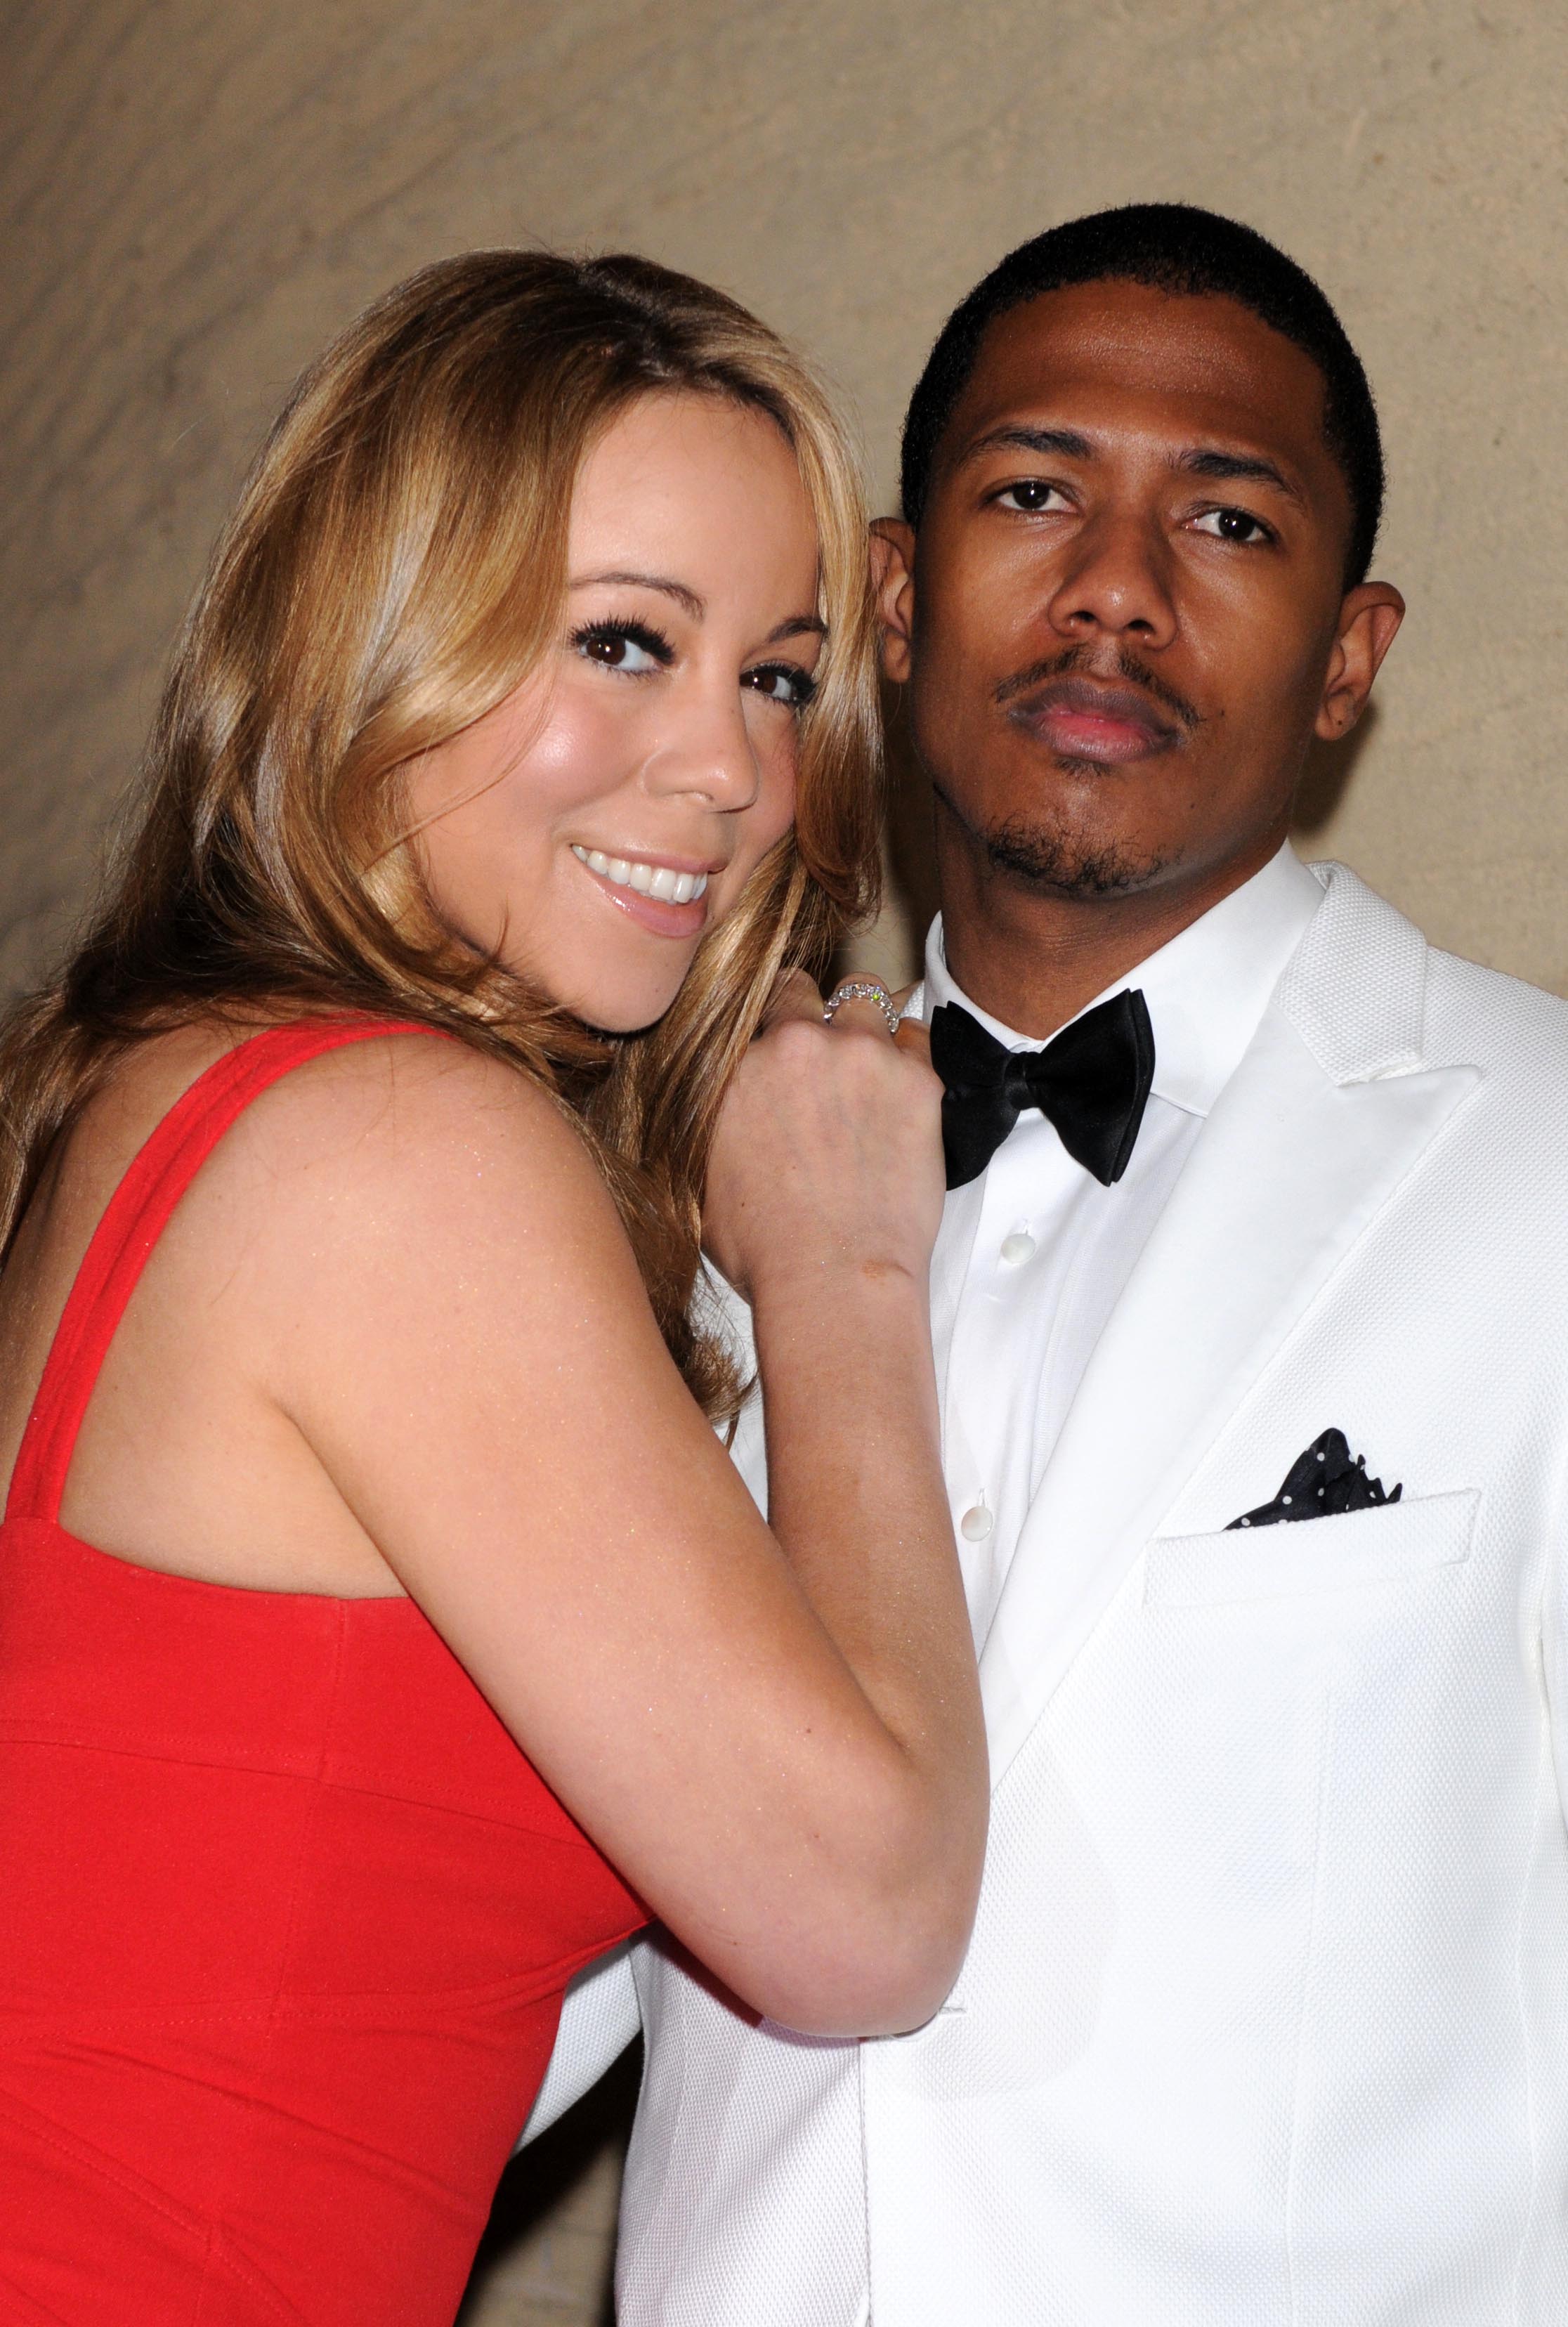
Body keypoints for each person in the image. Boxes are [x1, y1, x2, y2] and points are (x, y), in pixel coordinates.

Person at [531, 203, 1568, 2323]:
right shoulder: (639, 1210)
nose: (1114, 588)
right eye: (1033, 495)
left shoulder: (1542, 1160)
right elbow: (503, 1958)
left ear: (1354, 653)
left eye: (1231, 523)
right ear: (895, 597)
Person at [0, 252, 990, 2327]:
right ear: (376, 645)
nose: (724, 769)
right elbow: (864, 1906)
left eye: (780, 677)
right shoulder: (395, 1155)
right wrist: (844, 1269)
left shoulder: (167, 1094)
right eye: (624, 643)